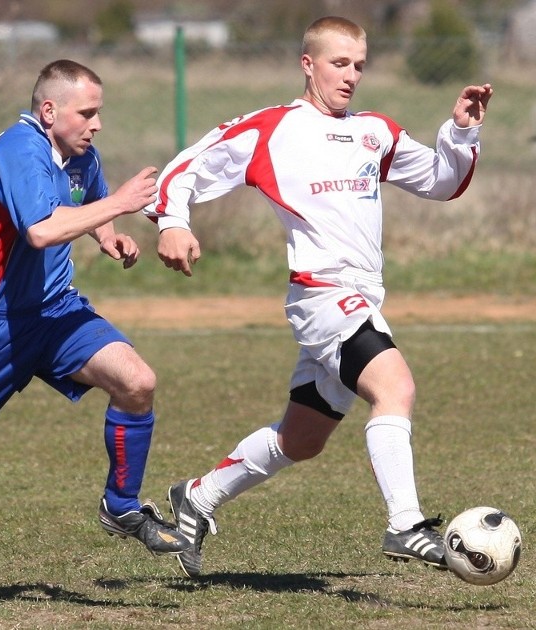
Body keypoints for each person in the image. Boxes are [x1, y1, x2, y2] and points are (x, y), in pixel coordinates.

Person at [145, 16, 493, 579]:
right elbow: (186, 167)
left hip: (362, 296)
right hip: (321, 294)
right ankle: (405, 522)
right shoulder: (272, 128)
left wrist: (459, 134)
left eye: (359, 65)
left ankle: (197, 498)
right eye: (339, 63)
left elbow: (441, 182)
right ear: (308, 64)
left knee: (300, 440)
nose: (351, 75)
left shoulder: (374, 130)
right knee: (395, 385)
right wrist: (171, 222)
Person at [0, 59, 189, 605]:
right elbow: (40, 229)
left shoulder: (81, 155)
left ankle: (121, 506)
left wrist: (109, 235)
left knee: (137, 381)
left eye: (99, 112)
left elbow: (85, 200)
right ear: (50, 110)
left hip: (56, 313)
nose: (97, 124)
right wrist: (121, 204)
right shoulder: (16, 148)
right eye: (88, 112)